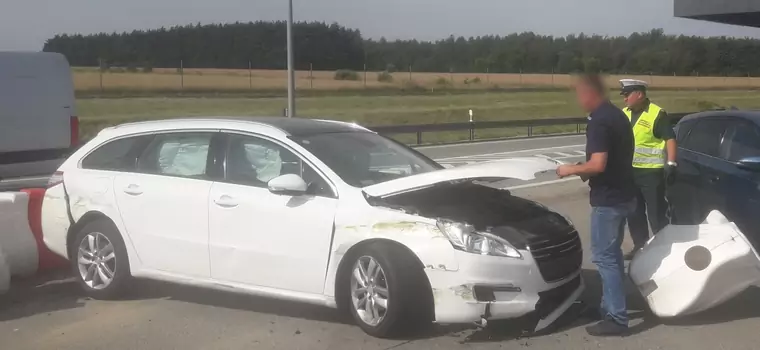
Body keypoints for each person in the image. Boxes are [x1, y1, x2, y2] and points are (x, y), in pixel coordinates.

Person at [556, 74, 636, 336]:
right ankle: (608, 308)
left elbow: (598, 165)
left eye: (580, 94)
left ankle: (617, 318)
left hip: (609, 199)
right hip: (624, 193)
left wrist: (571, 169)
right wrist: (585, 170)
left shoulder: (600, 122)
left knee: (605, 258)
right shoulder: (616, 115)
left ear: (590, 94)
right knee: (611, 256)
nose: (578, 100)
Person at [618, 79, 678, 260]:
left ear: (639, 94)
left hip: (651, 173)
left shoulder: (657, 114)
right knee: (634, 213)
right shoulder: (624, 114)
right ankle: (640, 246)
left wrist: (672, 163)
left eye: (627, 95)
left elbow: (670, 139)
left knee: (656, 214)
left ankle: (665, 249)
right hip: (630, 173)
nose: (625, 99)